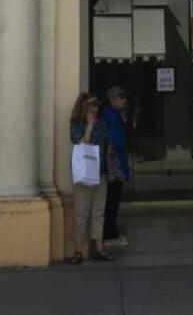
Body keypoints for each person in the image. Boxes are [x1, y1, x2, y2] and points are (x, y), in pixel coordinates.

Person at [68, 93, 111, 263]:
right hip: (83, 173)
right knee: (81, 212)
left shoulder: (103, 124)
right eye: (92, 105)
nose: (95, 108)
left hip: (99, 171)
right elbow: (81, 143)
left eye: (97, 105)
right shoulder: (76, 124)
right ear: (83, 106)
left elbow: (105, 143)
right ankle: (78, 249)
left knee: (98, 211)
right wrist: (89, 127)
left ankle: (98, 248)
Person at [101, 86, 130, 248]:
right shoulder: (112, 117)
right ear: (112, 100)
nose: (123, 100)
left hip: (114, 162)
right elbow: (116, 141)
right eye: (121, 97)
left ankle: (110, 232)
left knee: (111, 199)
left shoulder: (112, 115)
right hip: (114, 163)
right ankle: (110, 233)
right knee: (112, 200)